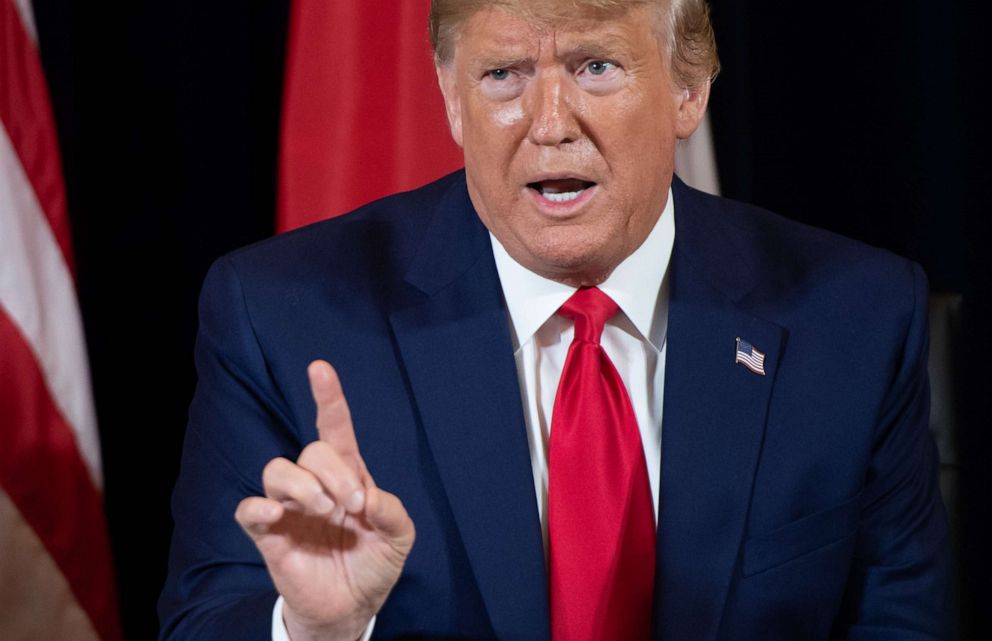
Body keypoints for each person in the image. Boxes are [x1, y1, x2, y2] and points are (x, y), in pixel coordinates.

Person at [158, 1, 952, 639]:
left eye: (595, 67)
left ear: (690, 89)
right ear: (449, 97)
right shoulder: (281, 317)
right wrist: (313, 630)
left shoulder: (853, 321)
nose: (549, 123)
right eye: (502, 74)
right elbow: (205, 619)